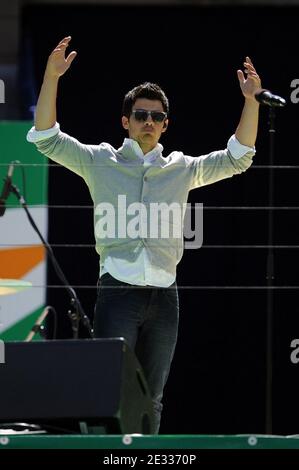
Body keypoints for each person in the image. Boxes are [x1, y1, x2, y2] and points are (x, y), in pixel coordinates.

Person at [27, 36, 261, 434]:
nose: (148, 122)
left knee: (152, 396)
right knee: (109, 392)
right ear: (126, 121)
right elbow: (47, 137)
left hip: (165, 296)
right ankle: (109, 459)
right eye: (140, 115)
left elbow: (238, 158)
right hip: (117, 291)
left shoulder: (182, 168)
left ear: (166, 124)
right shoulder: (100, 160)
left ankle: (146, 460)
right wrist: (51, 76)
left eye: (156, 116)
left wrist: (252, 101)